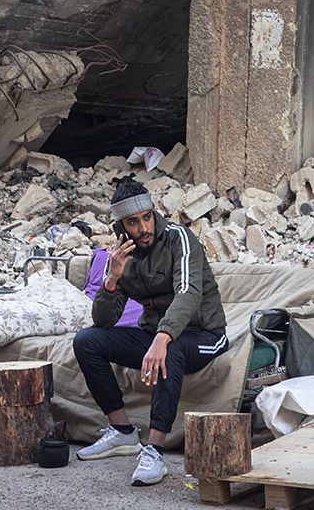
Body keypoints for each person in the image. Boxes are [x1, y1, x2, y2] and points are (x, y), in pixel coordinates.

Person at [72, 179, 228, 486]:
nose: (143, 228)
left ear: (153, 212)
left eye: (146, 217)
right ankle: (122, 432)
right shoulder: (121, 254)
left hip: (204, 334)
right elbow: (103, 319)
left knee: (169, 350)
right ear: (122, 226)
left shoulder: (178, 238)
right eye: (133, 222)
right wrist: (112, 279)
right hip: (155, 333)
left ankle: (154, 451)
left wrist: (162, 336)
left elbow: (188, 293)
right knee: (87, 341)